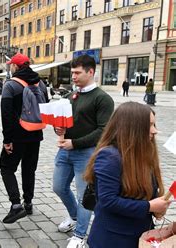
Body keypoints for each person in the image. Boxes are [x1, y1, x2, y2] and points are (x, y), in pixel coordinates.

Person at [83, 102, 171, 247]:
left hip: (140, 234)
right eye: (149, 125)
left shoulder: (143, 153)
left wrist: (158, 208)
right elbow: (108, 201)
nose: (155, 131)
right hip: (113, 239)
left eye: (154, 125)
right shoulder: (110, 156)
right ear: (132, 128)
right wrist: (149, 206)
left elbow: (148, 192)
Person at [52, 55, 114, 248]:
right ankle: (74, 216)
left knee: (83, 196)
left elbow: (103, 131)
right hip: (65, 150)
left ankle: (80, 235)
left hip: (86, 153)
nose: (74, 77)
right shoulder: (70, 96)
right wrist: (59, 130)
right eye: (72, 73)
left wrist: (75, 143)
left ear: (91, 72)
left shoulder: (103, 98)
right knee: (59, 187)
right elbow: (62, 123)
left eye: (77, 73)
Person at [0, 53, 49, 224]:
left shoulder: (10, 85)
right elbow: (46, 108)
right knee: (29, 169)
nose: (10, 67)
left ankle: (15, 205)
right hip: (36, 135)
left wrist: (7, 140)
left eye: (10, 65)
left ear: (15, 66)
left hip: (17, 136)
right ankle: (28, 203)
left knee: (6, 167)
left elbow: (6, 116)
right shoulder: (40, 83)